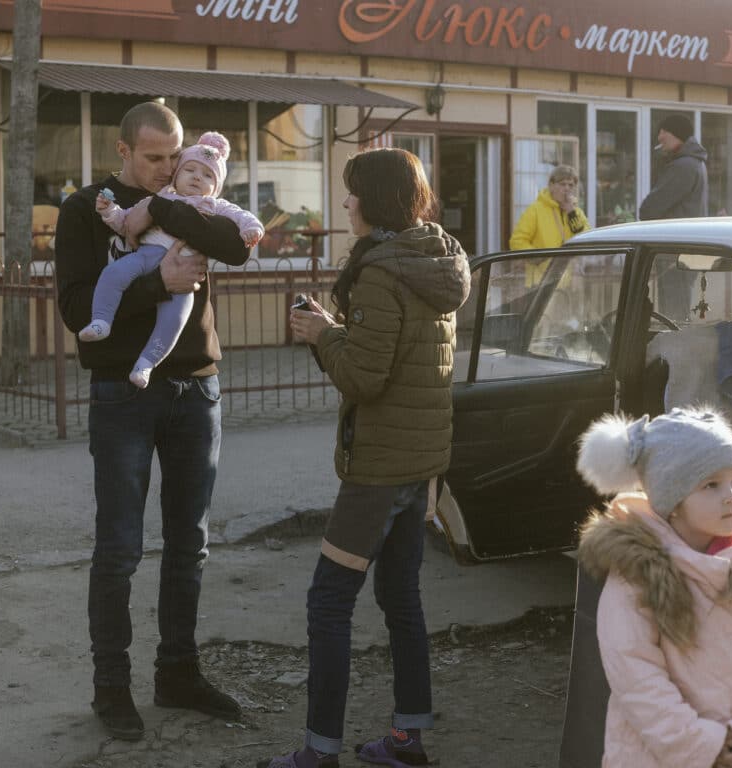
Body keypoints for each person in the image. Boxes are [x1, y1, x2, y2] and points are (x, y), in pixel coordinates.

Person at [261, 148, 470, 768]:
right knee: (401, 597)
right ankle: (408, 739)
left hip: (378, 469)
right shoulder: (435, 262)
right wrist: (336, 329)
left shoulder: (381, 273)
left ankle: (318, 751)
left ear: (375, 201)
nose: (345, 203)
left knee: (328, 602)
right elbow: (398, 363)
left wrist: (323, 334)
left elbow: (366, 379)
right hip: (423, 462)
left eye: (353, 193)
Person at [54, 101, 249, 743]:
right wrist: (157, 281)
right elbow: (77, 310)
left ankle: (179, 674)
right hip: (122, 395)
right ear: (123, 153)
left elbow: (235, 247)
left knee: (188, 545)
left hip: (196, 388)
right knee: (118, 551)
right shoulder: (88, 209)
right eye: (155, 159)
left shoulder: (192, 196)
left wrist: (179, 205)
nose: (169, 169)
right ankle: (112, 687)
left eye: (176, 156)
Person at [576, 408, 732, 768]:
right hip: (656, 755)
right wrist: (703, 747)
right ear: (672, 501)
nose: (731, 496)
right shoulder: (639, 574)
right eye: (710, 485)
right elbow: (636, 676)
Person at [79, 131, 263, 388]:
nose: (197, 177)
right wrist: (110, 211)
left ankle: (146, 364)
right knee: (113, 274)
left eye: (208, 175)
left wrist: (252, 229)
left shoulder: (210, 205)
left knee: (174, 320)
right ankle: (101, 320)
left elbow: (241, 228)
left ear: (217, 186)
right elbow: (126, 222)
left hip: (196, 367)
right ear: (124, 150)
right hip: (147, 255)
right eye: (189, 169)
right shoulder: (163, 194)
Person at [509, 164, 589, 286]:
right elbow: (517, 241)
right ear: (551, 185)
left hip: (569, 283)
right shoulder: (535, 210)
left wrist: (571, 213)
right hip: (540, 283)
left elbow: (586, 239)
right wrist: (538, 257)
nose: (567, 188)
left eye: (571, 185)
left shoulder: (575, 211)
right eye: (562, 184)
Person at [640, 114, 708, 221]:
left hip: (675, 234)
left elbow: (649, 209)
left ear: (677, 134)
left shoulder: (684, 166)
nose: (660, 137)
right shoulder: (696, 162)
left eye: (664, 132)